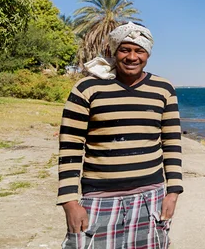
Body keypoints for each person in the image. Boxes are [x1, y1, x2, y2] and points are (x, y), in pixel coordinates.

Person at [57, 22, 183, 248]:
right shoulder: (87, 89)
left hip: (150, 197)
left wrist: (173, 192)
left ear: (148, 54)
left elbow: (172, 142)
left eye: (139, 50)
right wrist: (69, 202)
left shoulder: (163, 90)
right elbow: (70, 146)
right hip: (98, 198)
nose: (132, 57)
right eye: (125, 49)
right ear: (114, 52)